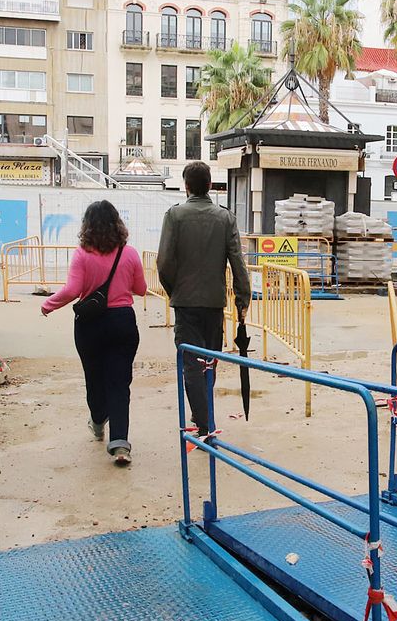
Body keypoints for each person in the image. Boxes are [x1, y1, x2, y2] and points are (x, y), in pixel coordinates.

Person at [41, 201, 147, 466]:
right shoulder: (130, 253)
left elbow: (72, 290)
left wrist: (48, 304)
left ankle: (99, 419)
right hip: (123, 322)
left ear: (87, 226)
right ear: (117, 223)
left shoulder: (82, 254)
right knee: (119, 383)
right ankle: (120, 444)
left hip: (90, 324)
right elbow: (142, 289)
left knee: (94, 377)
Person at [157, 161, 251, 433]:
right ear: (210, 185)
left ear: (186, 186)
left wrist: (175, 290)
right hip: (213, 303)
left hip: (185, 303)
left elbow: (164, 263)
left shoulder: (174, 216)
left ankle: (203, 421)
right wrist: (242, 299)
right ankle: (203, 417)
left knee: (191, 363)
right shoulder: (225, 218)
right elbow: (238, 262)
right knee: (209, 361)